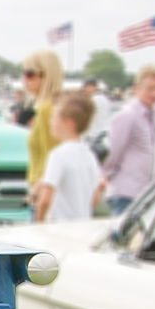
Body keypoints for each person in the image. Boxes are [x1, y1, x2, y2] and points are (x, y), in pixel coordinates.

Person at [98, 64, 155, 217]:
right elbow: (113, 152)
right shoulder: (128, 115)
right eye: (150, 89)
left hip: (141, 194)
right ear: (137, 87)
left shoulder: (148, 117)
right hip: (125, 193)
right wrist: (106, 176)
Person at [31, 91, 102, 223]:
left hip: (59, 229)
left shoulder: (58, 155)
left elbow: (45, 199)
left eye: (54, 117)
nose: (51, 122)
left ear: (69, 123)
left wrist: (38, 223)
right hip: (83, 226)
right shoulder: (89, 154)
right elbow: (96, 196)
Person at [19, 49, 65, 200]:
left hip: (42, 193)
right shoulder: (45, 107)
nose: (24, 79)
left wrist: (38, 190)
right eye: (24, 73)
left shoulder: (47, 109)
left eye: (29, 74)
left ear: (46, 76)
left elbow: (52, 156)